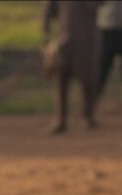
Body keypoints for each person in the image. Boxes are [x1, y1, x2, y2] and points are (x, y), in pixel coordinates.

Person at [42, 0, 101, 134]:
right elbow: (47, 12)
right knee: (61, 80)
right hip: (65, 41)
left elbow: (99, 5)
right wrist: (46, 39)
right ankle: (61, 118)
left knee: (88, 80)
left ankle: (88, 114)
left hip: (87, 42)